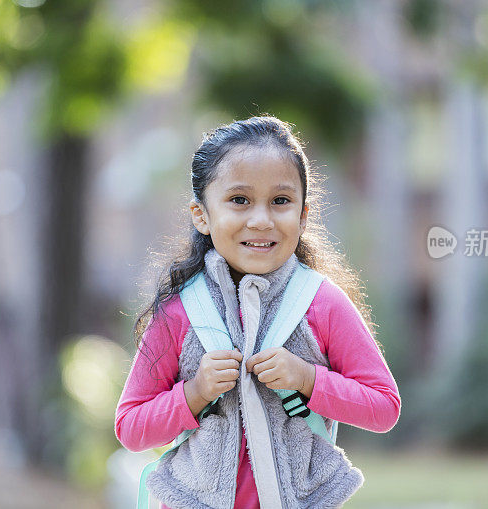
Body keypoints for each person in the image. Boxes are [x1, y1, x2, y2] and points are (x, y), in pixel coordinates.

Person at [115, 115, 401, 508]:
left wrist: (306, 378)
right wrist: (195, 393)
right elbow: (130, 428)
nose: (262, 220)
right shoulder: (180, 311)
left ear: (302, 216)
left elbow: (383, 406)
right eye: (239, 200)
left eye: (280, 201)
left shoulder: (322, 303)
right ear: (202, 215)